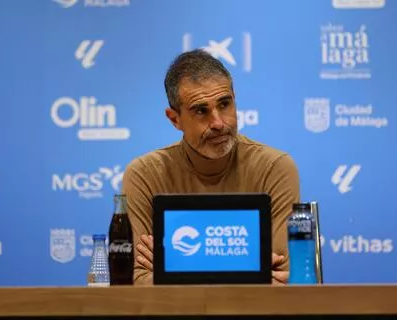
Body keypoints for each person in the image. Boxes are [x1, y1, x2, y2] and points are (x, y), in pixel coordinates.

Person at [122, 49, 300, 285]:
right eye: (200, 111)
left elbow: (282, 278)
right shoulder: (144, 175)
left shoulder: (275, 168)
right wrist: (248, 268)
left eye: (225, 104)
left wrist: (172, 267)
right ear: (174, 119)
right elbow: (139, 280)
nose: (218, 123)